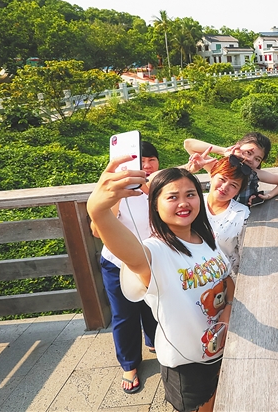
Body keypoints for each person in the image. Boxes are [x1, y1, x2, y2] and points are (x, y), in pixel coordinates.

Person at [88, 155, 234, 412]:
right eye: (172, 197)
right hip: (186, 361)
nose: (183, 202)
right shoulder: (154, 252)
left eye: (190, 194)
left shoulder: (204, 237)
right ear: (154, 205)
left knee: (217, 401)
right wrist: (98, 211)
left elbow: (226, 278)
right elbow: (127, 250)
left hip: (221, 348)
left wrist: (228, 311)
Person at [100, 141, 160, 394]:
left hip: (152, 260)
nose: (146, 166)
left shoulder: (159, 186)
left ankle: (154, 341)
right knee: (124, 316)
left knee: (153, 306)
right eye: (140, 162)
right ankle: (129, 365)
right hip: (118, 264)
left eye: (151, 160)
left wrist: (149, 187)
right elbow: (98, 228)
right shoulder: (115, 190)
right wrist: (118, 190)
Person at [183, 132, 278, 207]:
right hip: (214, 216)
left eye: (257, 159)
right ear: (238, 146)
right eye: (248, 152)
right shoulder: (218, 167)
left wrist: (268, 195)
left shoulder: (254, 173)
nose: (250, 159)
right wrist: (223, 150)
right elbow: (188, 144)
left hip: (241, 221)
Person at [201, 155, 251, 277]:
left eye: (233, 185)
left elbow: (245, 255)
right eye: (222, 179)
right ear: (212, 175)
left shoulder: (241, 214)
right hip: (191, 277)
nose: (225, 187)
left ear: (238, 191)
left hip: (225, 280)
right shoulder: (194, 202)